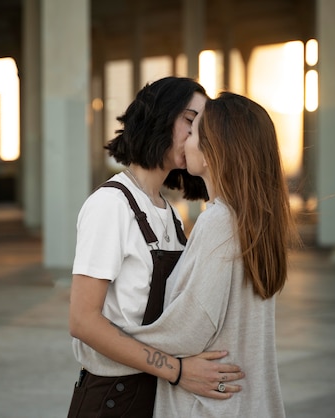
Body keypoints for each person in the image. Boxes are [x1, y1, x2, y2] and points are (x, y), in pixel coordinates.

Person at [67, 77, 244, 418]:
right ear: (161, 117)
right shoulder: (110, 205)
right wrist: (177, 370)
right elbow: (82, 322)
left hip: (159, 396)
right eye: (191, 122)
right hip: (113, 401)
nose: (198, 136)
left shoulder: (170, 214)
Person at [121, 92, 299, 417]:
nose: (185, 138)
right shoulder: (254, 221)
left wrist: (109, 340)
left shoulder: (218, 221)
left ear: (215, 148)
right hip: (251, 402)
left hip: (210, 407)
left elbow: (187, 331)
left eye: (193, 131)